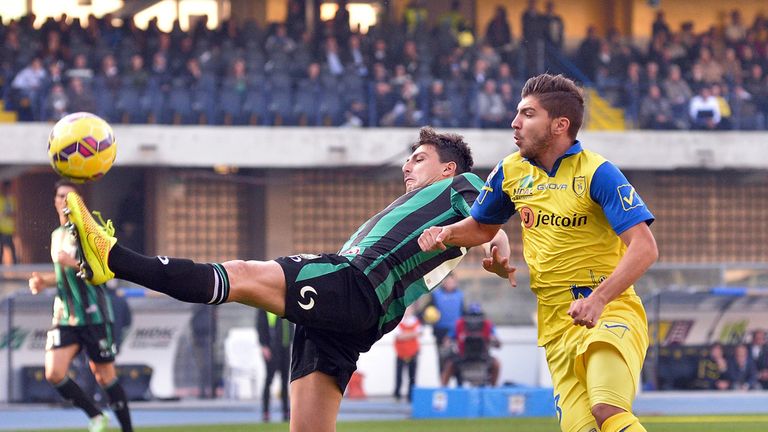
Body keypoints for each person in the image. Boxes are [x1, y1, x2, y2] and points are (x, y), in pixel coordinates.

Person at [61, 127, 516, 432]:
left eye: (418, 159)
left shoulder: (462, 185)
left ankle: (115, 259)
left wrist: (497, 243)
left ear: (448, 169)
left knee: (239, 276)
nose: (407, 166)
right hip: (355, 320)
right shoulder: (426, 205)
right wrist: (493, 247)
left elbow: (491, 218)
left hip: (357, 281)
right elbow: (487, 230)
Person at [418, 74, 658, 432]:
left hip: (610, 310)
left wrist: (598, 299)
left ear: (560, 125)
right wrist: (446, 233)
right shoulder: (510, 172)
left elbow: (644, 248)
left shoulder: (598, 173)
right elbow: (482, 227)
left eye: (528, 114)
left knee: (607, 410)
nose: (515, 123)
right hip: (556, 323)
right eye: (518, 113)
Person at [27, 180, 133, 432]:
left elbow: (105, 272)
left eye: (69, 197)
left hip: (94, 313)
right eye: (60, 196)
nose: (63, 201)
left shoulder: (90, 232)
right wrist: (45, 281)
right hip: (65, 315)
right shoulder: (56, 236)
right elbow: (63, 274)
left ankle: (128, 429)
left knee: (104, 376)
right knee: (54, 373)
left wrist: (72, 262)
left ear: (78, 203)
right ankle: (96, 416)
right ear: (55, 201)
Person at [441, 303, 501, 387]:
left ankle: (493, 389)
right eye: (471, 316)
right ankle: (443, 391)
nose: (474, 320)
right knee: (449, 365)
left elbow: (497, 342)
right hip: (463, 356)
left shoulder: (488, 325)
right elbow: (447, 339)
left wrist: (494, 340)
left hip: (482, 357)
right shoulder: (459, 324)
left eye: (477, 317)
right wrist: (448, 343)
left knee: (496, 364)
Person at [257, 309, 293, 422]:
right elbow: (260, 325)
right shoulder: (265, 307)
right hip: (272, 349)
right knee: (269, 380)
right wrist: (264, 346)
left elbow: (290, 327)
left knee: (285, 381)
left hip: (285, 348)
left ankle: (285, 411)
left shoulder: (287, 304)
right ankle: (266, 411)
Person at [427, 273, 465, 381]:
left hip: (456, 333)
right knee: (442, 360)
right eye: (447, 282)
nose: (449, 284)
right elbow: (426, 312)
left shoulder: (459, 295)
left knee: (458, 360)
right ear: (443, 282)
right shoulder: (436, 295)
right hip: (441, 333)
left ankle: (459, 386)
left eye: (452, 282)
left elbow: (463, 313)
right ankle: (443, 387)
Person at [393, 305, 421, 402]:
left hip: (413, 352)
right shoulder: (399, 321)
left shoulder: (415, 321)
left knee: (412, 376)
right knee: (399, 375)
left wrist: (405, 335)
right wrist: (411, 334)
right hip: (401, 352)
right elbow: (399, 337)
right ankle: (397, 394)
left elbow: (418, 333)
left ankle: (411, 395)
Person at [0, 180, 17, 264]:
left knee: (11, 248)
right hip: (1, 229)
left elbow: (14, 213)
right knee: (1, 249)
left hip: (9, 229)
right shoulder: (1, 199)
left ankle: (16, 267)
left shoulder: (11, 200)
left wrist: (6, 213)